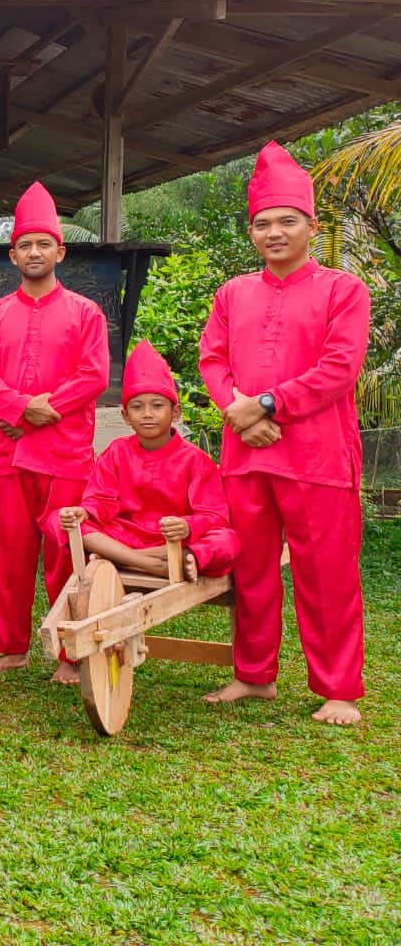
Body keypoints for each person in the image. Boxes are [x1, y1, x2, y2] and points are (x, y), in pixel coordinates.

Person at [198, 141, 370, 726]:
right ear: (252, 231)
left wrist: (266, 404)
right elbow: (212, 361)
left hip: (318, 458)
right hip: (246, 457)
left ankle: (339, 689)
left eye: (286, 222)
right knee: (250, 571)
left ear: (310, 226)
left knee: (327, 574)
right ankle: (254, 676)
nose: (274, 233)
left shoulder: (343, 290)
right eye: (263, 224)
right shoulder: (232, 294)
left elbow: (339, 368)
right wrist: (237, 409)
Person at [0, 181, 109, 682]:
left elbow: (94, 375)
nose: (34, 252)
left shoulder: (85, 313)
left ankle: (71, 654)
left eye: (42, 244)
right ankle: (10, 647)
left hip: (66, 453)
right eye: (25, 244)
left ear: (59, 251)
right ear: (13, 254)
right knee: (7, 552)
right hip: (7, 452)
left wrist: (50, 407)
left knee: (66, 555)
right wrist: (25, 407)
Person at [55, 340, 240, 582]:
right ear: (125, 416)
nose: (148, 414)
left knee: (228, 541)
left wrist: (187, 526)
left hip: (173, 539)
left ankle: (122, 557)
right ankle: (153, 565)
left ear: (175, 413)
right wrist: (84, 512)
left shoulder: (196, 460)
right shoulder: (116, 452)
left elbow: (214, 515)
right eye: (137, 407)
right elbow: (101, 499)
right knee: (63, 523)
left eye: (157, 406)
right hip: (127, 535)